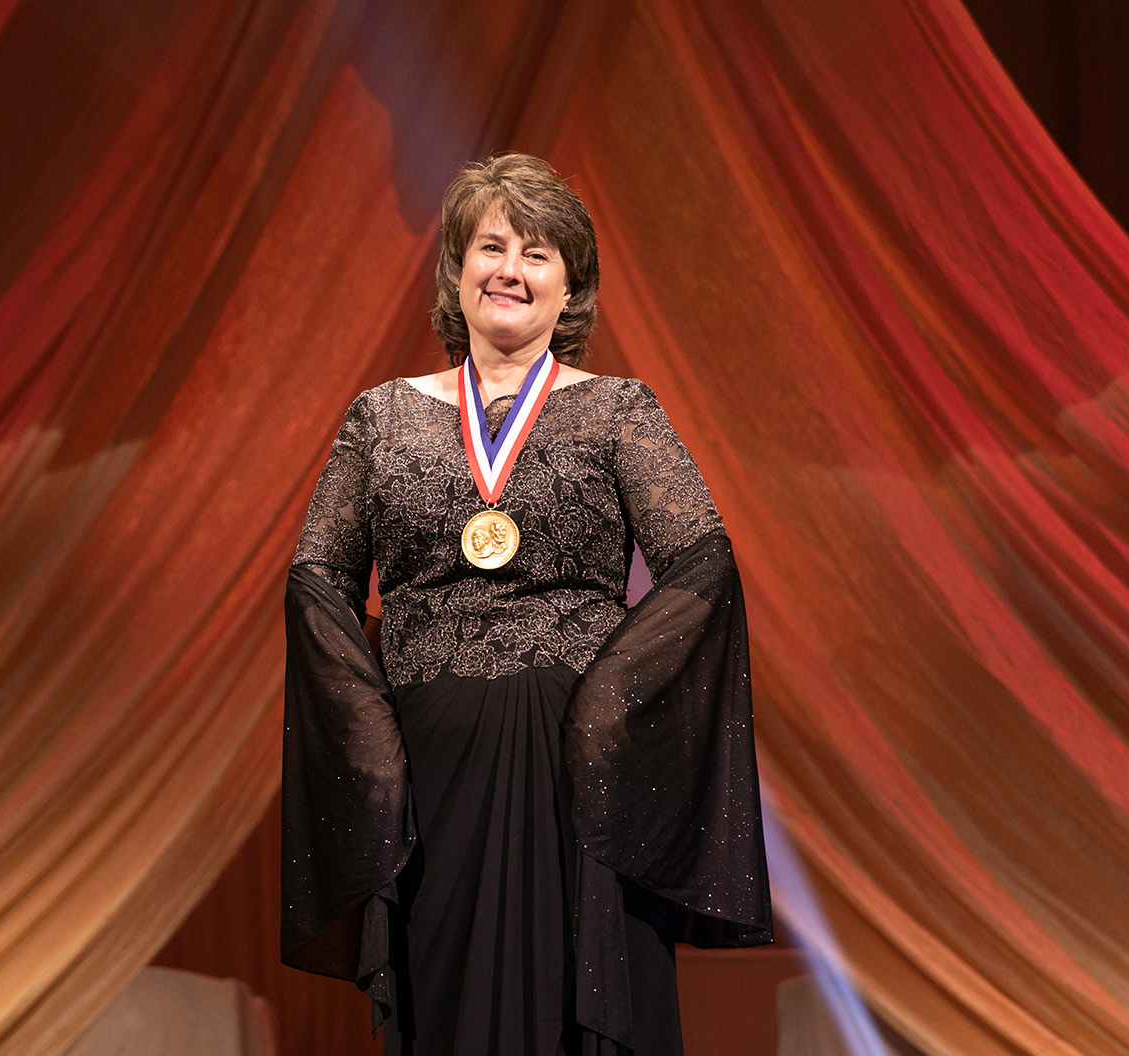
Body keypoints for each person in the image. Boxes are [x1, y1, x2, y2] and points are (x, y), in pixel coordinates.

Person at [280, 153, 772, 1056]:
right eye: (491, 246)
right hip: (433, 777)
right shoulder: (381, 418)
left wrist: (605, 706)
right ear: (456, 273)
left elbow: (703, 564)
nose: (510, 268)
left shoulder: (620, 411)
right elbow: (318, 583)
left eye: (538, 253)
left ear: (570, 289)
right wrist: (375, 746)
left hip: (582, 778)